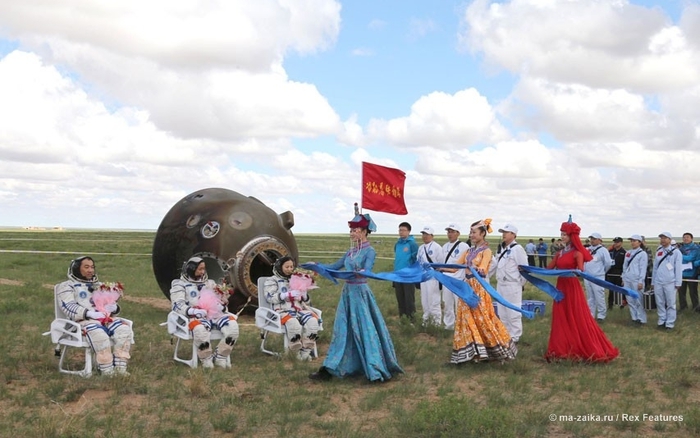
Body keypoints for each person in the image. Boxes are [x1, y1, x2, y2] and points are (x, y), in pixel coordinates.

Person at [309, 212, 403, 382]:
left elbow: (367, 270)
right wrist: (319, 266)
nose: (352, 233)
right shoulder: (350, 251)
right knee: (342, 329)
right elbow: (335, 266)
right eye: (351, 231)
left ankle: (374, 368)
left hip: (360, 293)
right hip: (347, 294)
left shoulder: (370, 251)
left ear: (364, 231)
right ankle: (331, 367)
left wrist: (360, 272)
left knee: (365, 329)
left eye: (355, 230)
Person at [545, 218, 619, 362]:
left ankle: (580, 346)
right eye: (561, 234)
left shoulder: (577, 253)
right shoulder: (559, 253)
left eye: (565, 234)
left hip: (572, 287)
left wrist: (572, 271)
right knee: (561, 316)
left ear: (571, 236)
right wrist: (527, 269)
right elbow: (548, 268)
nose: (562, 236)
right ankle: (560, 348)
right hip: (560, 287)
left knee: (575, 315)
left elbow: (580, 270)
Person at [451, 219, 517, 364]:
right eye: (470, 232)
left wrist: (480, 269)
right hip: (466, 287)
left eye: (474, 232)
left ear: (482, 234)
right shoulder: (468, 251)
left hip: (479, 289)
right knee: (466, 319)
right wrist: (437, 268)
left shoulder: (486, 251)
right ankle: (472, 352)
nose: (471, 235)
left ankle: (495, 349)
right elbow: (455, 267)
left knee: (483, 319)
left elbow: (483, 267)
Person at [56, 256, 133, 376]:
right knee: (99, 334)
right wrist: (89, 313)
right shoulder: (67, 286)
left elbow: (108, 303)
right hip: (81, 322)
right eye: (86, 267)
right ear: (76, 269)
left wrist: (113, 308)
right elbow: (68, 306)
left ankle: (120, 367)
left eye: (92, 267)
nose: (90, 270)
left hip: (104, 319)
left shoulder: (99, 285)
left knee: (124, 329)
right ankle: (106, 369)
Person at [170, 256, 239, 368]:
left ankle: (220, 356)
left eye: (204, 269)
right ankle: (206, 358)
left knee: (233, 327)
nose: (203, 272)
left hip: (213, 315)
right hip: (194, 317)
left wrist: (222, 303)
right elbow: (177, 304)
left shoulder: (210, 283)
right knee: (200, 330)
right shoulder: (179, 284)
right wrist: (192, 310)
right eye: (200, 269)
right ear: (191, 270)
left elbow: (217, 299)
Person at [263, 256, 320, 361]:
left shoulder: (297, 278)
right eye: (287, 267)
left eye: (291, 267)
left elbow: (306, 302)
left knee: (313, 322)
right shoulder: (272, 280)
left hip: (298, 310)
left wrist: (304, 295)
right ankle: (295, 352)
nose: (289, 269)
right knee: (293, 324)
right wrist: (285, 295)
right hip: (281, 311)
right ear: (280, 267)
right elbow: (269, 297)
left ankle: (306, 351)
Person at [492, 223, 528, 343]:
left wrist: (520, 284)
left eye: (506, 232)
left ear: (513, 234)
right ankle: (505, 334)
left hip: (512, 284)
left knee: (513, 312)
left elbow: (524, 269)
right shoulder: (501, 248)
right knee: (502, 311)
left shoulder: (518, 249)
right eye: (503, 232)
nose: (503, 235)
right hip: (501, 284)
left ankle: (515, 336)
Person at [438, 224, 470, 330]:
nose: (450, 234)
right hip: (446, 279)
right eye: (449, 232)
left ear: (458, 233)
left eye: (452, 232)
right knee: (447, 304)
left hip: (458, 279)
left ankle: (461, 326)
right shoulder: (445, 246)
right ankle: (449, 325)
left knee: (459, 305)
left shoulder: (464, 246)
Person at [652, 232, 683, 330]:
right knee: (660, 302)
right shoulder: (659, 251)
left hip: (670, 282)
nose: (663, 240)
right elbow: (655, 268)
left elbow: (678, 268)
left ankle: (669, 323)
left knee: (670, 303)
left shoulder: (676, 252)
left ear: (670, 239)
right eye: (661, 238)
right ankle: (661, 321)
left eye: (665, 238)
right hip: (658, 281)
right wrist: (653, 282)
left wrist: (678, 282)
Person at [416, 226, 444, 326]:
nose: (425, 236)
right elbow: (418, 262)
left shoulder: (437, 247)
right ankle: (426, 321)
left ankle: (436, 323)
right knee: (425, 300)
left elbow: (441, 263)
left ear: (432, 235)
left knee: (434, 300)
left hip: (433, 277)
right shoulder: (421, 248)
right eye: (423, 234)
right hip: (423, 277)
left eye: (427, 234)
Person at [583, 232, 612, 321]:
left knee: (599, 296)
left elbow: (608, 263)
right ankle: (591, 314)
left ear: (599, 240)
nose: (592, 240)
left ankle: (601, 315)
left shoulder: (603, 250)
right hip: (587, 276)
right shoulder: (588, 249)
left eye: (594, 239)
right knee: (590, 297)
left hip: (597, 276)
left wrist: (601, 272)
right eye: (591, 239)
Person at [393, 222, 419, 321]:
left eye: (403, 230)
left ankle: (412, 320)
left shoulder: (412, 244)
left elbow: (415, 259)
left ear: (409, 231)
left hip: (408, 276)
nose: (401, 232)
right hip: (397, 275)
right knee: (400, 298)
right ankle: (403, 319)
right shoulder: (398, 244)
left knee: (409, 299)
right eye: (400, 230)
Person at [622, 235, 649, 325]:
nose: (632, 242)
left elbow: (643, 268)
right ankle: (634, 317)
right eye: (631, 241)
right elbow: (625, 266)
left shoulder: (642, 254)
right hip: (628, 279)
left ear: (639, 242)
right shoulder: (628, 253)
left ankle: (642, 319)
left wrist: (641, 281)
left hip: (636, 280)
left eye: (635, 241)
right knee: (630, 300)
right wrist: (623, 277)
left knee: (638, 300)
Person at [677, 232, 700, 312]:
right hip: (681, 273)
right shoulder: (680, 248)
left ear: (691, 238)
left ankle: (696, 307)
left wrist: (680, 255)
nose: (685, 239)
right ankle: (683, 307)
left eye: (687, 237)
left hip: (692, 273)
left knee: (693, 292)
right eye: (684, 237)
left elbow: (691, 258)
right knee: (681, 292)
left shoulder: (696, 248)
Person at [606, 237, 627, 309]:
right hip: (611, 273)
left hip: (619, 273)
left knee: (620, 289)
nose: (615, 243)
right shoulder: (611, 251)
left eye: (617, 242)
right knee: (611, 290)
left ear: (621, 243)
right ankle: (610, 305)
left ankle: (622, 304)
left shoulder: (624, 252)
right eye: (615, 242)